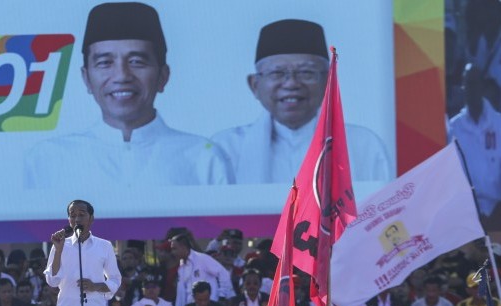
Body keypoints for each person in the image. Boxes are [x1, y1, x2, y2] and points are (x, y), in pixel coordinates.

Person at [24, 1, 233, 190]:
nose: (122, 76)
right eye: (105, 63)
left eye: (136, 61)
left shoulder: (203, 157)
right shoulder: (48, 158)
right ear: (86, 78)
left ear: (163, 76)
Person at [212, 18, 391, 184]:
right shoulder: (225, 149)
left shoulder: (364, 146)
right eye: (277, 73)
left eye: (306, 73)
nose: (291, 83)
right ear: (255, 85)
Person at [45, 200, 121, 306]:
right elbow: (52, 280)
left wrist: (96, 286)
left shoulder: (104, 246)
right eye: (72, 215)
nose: (77, 219)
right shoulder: (60, 244)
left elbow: (115, 279)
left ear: (91, 218)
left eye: (81, 214)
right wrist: (58, 250)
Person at [448, 63, 501, 219]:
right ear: (462, 88)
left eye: (475, 83)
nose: (472, 88)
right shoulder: (453, 128)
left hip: (498, 210)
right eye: (468, 83)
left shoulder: (498, 124)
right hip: (466, 212)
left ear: (483, 86)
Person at [171, 233, 233, 306]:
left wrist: (221, 296)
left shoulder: (201, 259)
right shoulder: (181, 268)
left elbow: (223, 274)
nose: (172, 252)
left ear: (183, 247)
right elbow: (181, 296)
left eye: (174, 249)